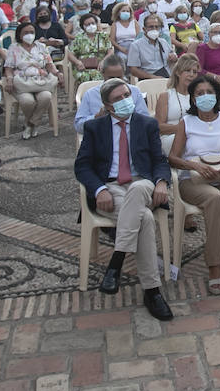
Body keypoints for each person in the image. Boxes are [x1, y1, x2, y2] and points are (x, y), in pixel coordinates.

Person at [74, 78, 174, 320]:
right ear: (108, 106)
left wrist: (162, 182)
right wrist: (99, 190)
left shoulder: (147, 124)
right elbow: (82, 166)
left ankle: (116, 263)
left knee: (139, 189)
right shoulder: (94, 128)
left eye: (126, 95)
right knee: (146, 218)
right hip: (111, 188)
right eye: (118, 99)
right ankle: (152, 291)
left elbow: (159, 161)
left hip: (144, 183)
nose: (124, 101)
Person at [168, 76, 220, 295]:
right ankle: (215, 264)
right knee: (214, 198)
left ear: (216, 96)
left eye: (209, 92)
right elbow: (172, 157)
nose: (205, 97)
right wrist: (193, 165)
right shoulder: (187, 122)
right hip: (195, 180)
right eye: (199, 93)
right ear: (193, 99)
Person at [3, 20, 58, 139]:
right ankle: (32, 123)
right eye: (26, 32)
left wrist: (57, 73)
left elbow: (49, 64)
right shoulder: (14, 48)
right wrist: (9, 79)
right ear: (20, 34)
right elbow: (8, 68)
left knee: (46, 96)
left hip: (41, 80)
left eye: (31, 32)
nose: (29, 35)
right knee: (27, 101)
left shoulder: (41, 46)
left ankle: (30, 123)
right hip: (23, 83)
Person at [75, 54, 149, 131]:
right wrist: (97, 117)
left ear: (123, 74)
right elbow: (78, 125)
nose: (115, 82)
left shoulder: (134, 91)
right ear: (103, 74)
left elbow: (145, 120)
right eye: (111, 78)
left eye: (119, 77)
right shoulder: (91, 95)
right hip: (102, 135)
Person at [156, 54, 200, 156]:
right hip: (170, 136)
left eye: (195, 72)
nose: (191, 75)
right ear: (178, 73)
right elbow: (159, 126)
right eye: (187, 71)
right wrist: (183, 129)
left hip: (195, 135)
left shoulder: (198, 96)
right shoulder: (166, 96)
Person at [126, 13, 174, 80]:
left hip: (165, 76)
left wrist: (173, 57)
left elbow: (172, 57)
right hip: (147, 79)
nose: (154, 29)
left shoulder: (163, 42)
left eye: (157, 27)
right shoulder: (136, 45)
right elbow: (133, 70)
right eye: (151, 27)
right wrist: (152, 77)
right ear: (144, 29)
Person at [68, 12, 110, 85]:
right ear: (83, 26)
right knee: (87, 76)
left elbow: (110, 51)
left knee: (100, 75)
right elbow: (70, 54)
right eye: (88, 24)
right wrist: (77, 62)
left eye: (93, 23)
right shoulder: (79, 38)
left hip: (101, 65)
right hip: (83, 67)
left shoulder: (103, 37)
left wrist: (104, 61)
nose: (91, 26)